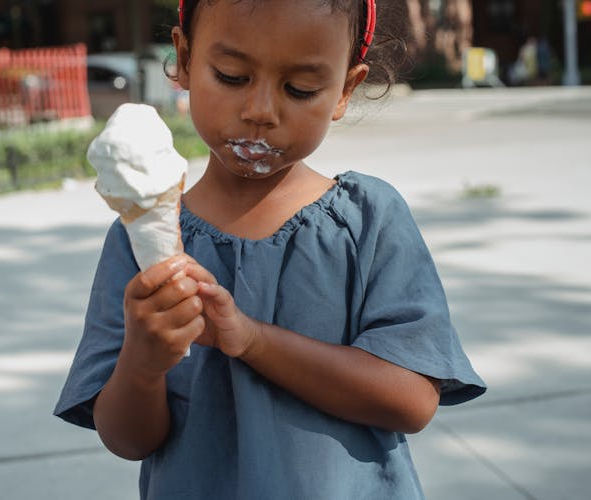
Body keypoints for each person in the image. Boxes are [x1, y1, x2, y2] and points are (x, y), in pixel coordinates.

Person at [55, 1, 486, 498]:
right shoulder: (136, 245)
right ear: (186, 58)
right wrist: (144, 362)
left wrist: (253, 340)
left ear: (345, 89)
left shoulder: (367, 221)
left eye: (300, 89)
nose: (261, 111)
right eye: (232, 76)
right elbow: (127, 439)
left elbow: (412, 402)